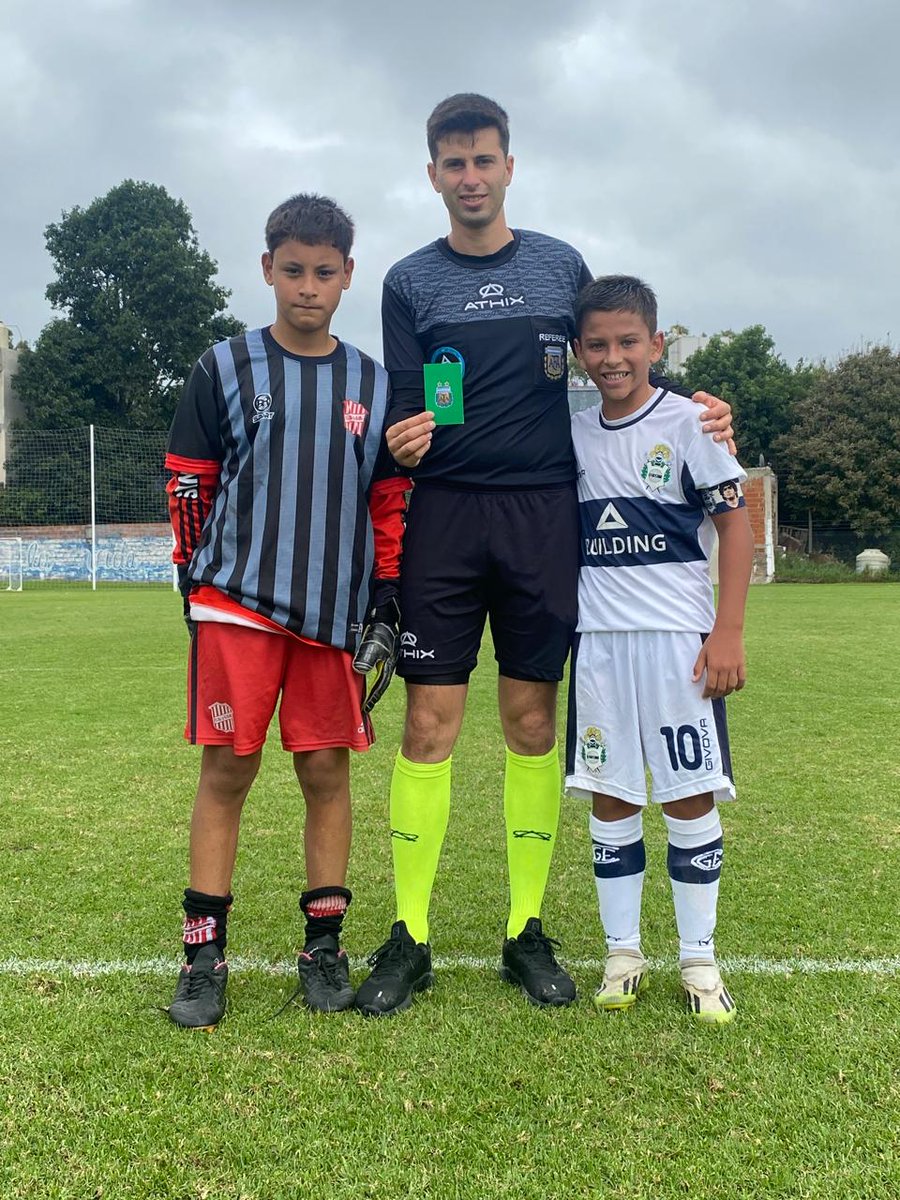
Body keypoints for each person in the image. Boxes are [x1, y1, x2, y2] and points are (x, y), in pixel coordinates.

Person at [354, 94, 735, 1016]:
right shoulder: (408, 281)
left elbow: (615, 355)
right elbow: (411, 404)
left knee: (530, 725)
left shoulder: (561, 265)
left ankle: (526, 929)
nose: (471, 178)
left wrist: (691, 403)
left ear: (509, 167)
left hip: (541, 519)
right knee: (428, 730)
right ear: (433, 174)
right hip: (445, 519)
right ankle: (410, 937)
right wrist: (399, 444)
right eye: (454, 164)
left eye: (484, 161)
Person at [163, 194, 407, 1029]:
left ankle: (324, 947)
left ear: (347, 276)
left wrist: (384, 594)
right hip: (236, 606)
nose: (308, 287)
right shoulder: (222, 367)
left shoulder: (373, 383)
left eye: (325, 272)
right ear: (268, 269)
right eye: (293, 270)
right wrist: (193, 580)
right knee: (228, 771)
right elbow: (188, 479)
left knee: (325, 773)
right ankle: (204, 958)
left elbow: (386, 500)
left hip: (329, 617)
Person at [566, 275, 753, 1024]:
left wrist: (728, 630)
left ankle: (700, 960)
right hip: (601, 646)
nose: (613, 358)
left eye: (627, 342)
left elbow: (735, 528)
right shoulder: (573, 430)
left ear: (656, 345)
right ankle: (622, 952)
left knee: (687, 790)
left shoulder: (691, 424)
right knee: (611, 790)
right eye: (599, 344)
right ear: (580, 352)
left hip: (680, 644)